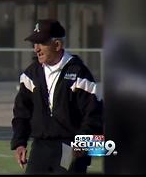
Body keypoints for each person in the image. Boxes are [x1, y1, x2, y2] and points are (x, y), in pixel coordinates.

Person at [10, 19, 103, 174]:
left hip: (70, 147)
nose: (36, 49)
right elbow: (21, 112)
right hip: (40, 147)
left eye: (41, 43)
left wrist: (80, 145)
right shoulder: (31, 74)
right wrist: (20, 143)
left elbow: (94, 115)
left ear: (57, 45)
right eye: (34, 44)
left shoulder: (79, 73)